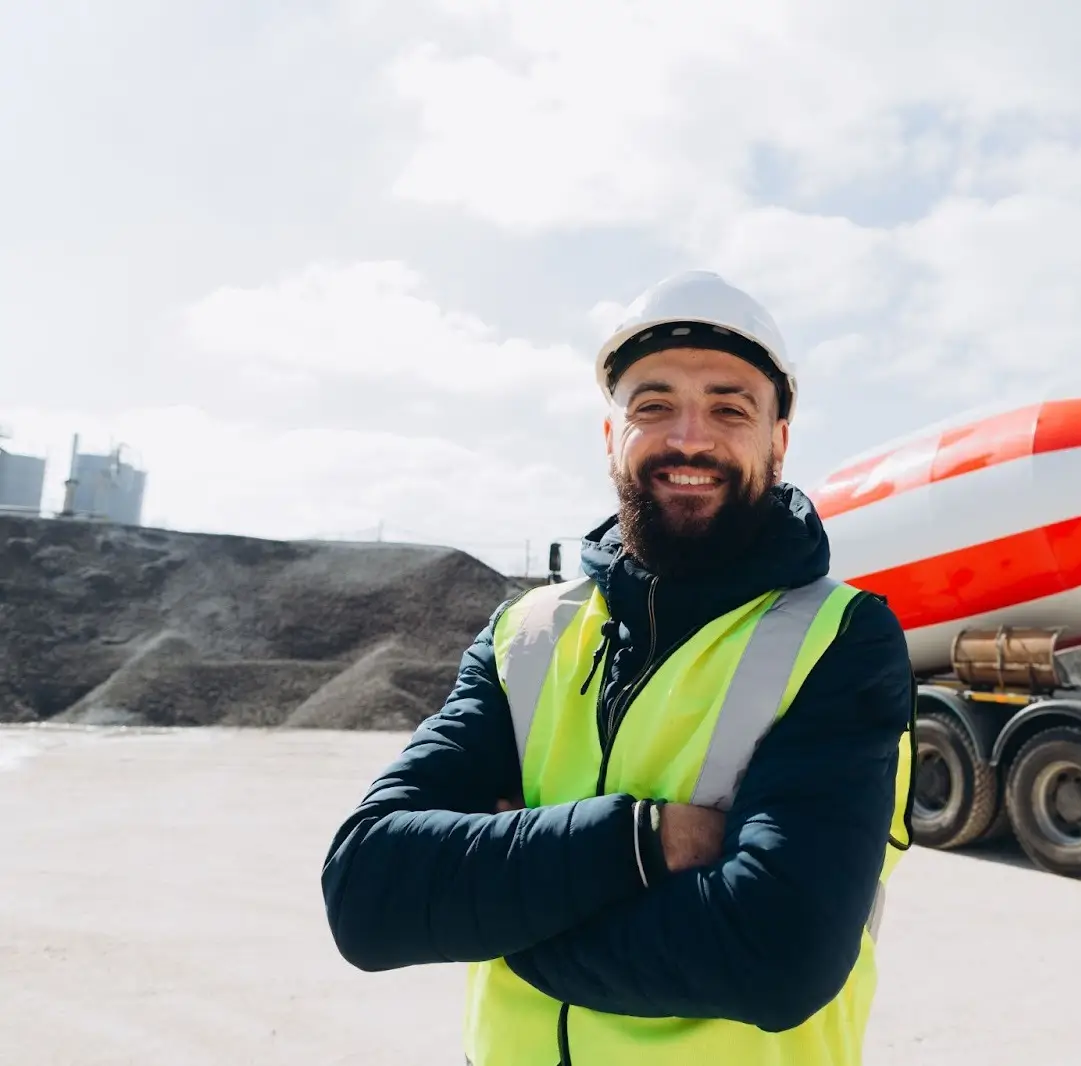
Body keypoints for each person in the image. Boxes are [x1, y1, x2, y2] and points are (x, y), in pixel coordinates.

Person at [320, 269, 915, 1066]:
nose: (689, 438)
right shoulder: (523, 637)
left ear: (778, 442)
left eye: (730, 408)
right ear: (612, 438)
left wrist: (501, 912)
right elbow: (367, 893)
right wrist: (645, 840)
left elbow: (777, 951)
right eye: (653, 405)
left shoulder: (839, 641)